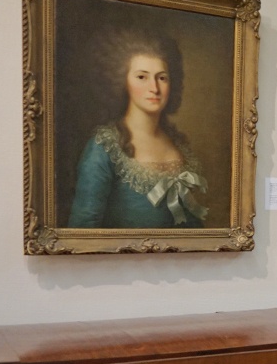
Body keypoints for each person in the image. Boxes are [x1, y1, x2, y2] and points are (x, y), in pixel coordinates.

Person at [68, 28, 208, 228]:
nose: (154, 88)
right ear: (122, 81)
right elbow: (83, 228)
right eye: (142, 77)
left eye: (162, 78)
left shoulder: (177, 143)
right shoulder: (104, 147)